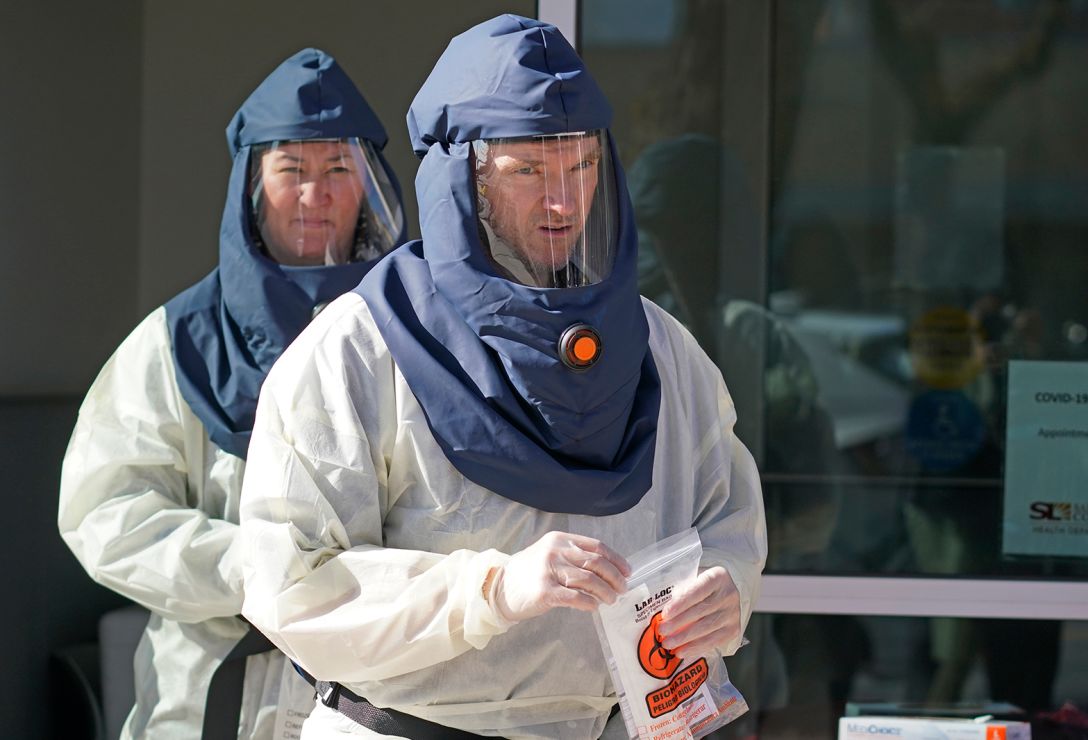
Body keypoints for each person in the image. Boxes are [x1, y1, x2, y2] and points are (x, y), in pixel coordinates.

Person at [239, 16, 766, 739]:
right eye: (528, 172)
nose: (563, 202)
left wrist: (727, 587)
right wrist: (492, 588)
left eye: (581, 167)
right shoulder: (357, 350)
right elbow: (293, 586)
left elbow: (727, 516)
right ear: (462, 180)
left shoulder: (661, 348)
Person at [58, 48, 407, 740]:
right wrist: (261, 570)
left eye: (339, 168)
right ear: (251, 184)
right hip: (202, 711)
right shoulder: (176, 342)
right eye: (291, 171)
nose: (316, 196)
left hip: (368, 708)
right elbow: (104, 510)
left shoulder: (410, 335)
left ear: (370, 184)